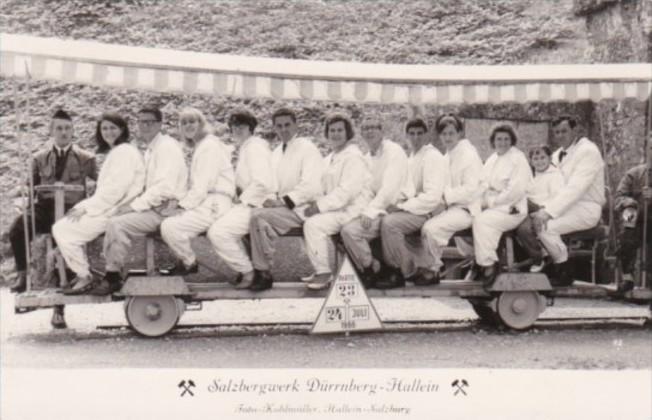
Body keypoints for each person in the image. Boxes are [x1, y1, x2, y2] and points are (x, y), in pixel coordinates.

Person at [9, 109, 97, 328]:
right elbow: (30, 186)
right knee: (17, 229)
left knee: (63, 247)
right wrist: (21, 194)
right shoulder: (39, 158)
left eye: (67, 128)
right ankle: (22, 274)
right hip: (45, 207)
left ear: (73, 130)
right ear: (51, 131)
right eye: (59, 128)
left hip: (71, 210)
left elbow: (99, 186)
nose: (63, 132)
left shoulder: (86, 158)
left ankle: (59, 309)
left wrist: (91, 196)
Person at [94, 105, 188, 295]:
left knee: (117, 224)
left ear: (160, 124)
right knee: (114, 216)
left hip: (166, 210)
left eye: (150, 122)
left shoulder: (167, 148)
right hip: (155, 207)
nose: (145, 126)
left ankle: (112, 276)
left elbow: (164, 188)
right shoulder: (151, 149)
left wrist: (133, 206)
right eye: (141, 122)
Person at [53, 113, 145, 295]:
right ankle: (83, 274)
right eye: (104, 128)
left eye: (113, 128)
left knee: (62, 229)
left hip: (117, 210)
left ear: (123, 130)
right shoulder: (119, 151)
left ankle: (84, 276)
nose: (108, 132)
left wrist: (85, 207)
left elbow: (114, 192)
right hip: (111, 207)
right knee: (64, 225)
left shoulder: (124, 152)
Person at [247, 108, 324, 291]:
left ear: (296, 124)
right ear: (274, 128)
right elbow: (271, 185)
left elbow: (311, 185)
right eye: (279, 126)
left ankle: (263, 272)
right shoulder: (276, 153)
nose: (284, 129)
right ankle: (250, 270)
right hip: (284, 208)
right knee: (249, 216)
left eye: (287, 125)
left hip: (303, 208)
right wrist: (268, 199)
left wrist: (281, 202)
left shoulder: (307, 147)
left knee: (258, 217)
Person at [531, 115, 605, 286]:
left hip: (586, 208)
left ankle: (564, 269)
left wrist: (548, 212)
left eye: (564, 131)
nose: (560, 135)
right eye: (557, 132)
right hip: (565, 207)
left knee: (545, 227)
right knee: (529, 223)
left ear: (575, 130)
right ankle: (546, 263)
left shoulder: (588, 151)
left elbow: (576, 188)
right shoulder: (556, 155)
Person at [340, 115, 413, 288]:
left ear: (382, 131)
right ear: (361, 133)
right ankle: (371, 267)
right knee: (345, 228)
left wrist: (370, 211)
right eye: (365, 128)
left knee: (351, 231)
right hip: (377, 208)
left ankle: (380, 270)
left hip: (396, 207)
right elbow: (365, 190)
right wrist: (362, 210)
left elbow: (390, 189)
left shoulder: (393, 151)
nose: (369, 131)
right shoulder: (366, 157)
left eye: (374, 127)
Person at [160, 107, 235, 275]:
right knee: (170, 223)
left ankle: (189, 263)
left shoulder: (209, 146)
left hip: (215, 200)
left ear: (201, 123)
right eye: (184, 123)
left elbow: (202, 187)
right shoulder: (203, 145)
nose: (188, 126)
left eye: (192, 121)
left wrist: (181, 207)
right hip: (209, 200)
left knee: (170, 226)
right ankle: (186, 261)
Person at [302, 113, 372, 290]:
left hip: (351, 210)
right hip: (336, 208)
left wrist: (319, 206)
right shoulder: (330, 158)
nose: (335, 134)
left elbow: (347, 192)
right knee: (302, 217)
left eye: (340, 130)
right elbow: (322, 188)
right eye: (332, 130)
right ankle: (319, 268)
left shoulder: (353, 157)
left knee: (313, 225)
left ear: (348, 132)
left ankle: (324, 273)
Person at [207, 109, 274, 289]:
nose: (237, 130)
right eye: (234, 126)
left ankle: (248, 272)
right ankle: (249, 270)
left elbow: (262, 182)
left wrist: (241, 201)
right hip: (250, 203)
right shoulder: (246, 147)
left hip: (258, 205)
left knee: (218, 232)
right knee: (220, 225)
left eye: (242, 126)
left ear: (251, 128)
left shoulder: (255, 147)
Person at [379, 117, 447, 288]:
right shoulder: (411, 157)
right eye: (411, 134)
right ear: (406, 136)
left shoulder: (432, 157)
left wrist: (401, 207)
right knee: (379, 217)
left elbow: (432, 196)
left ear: (426, 135)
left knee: (390, 224)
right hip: (414, 209)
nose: (415, 138)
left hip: (429, 212)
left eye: (419, 133)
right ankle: (386, 269)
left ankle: (403, 272)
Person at [421, 114, 483, 279]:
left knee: (430, 229)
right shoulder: (447, 155)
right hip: (450, 207)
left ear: (459, 133)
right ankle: (419, 265)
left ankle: (433, 270)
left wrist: (445, 198)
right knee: (417, 221)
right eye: (444, 134)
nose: (447, 137)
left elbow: (471, 189)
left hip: (467, 208)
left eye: (451, 133)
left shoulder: (468, 155)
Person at [472, 124, 532, 284]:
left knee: (482, 221)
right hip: (493, 204)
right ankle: (476, 260)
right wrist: (479, 201)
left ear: (512, 140)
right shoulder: (492, 159)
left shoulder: (518, 159)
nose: (502, 142)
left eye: (506, 139)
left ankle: (489, 264)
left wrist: (491, 202)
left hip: (512, 208)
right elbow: (483, 184)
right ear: (493, 141)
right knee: (469, 216)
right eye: (499, 139)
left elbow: (515, 191)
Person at [515, 145, 565, 273]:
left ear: (549, 158)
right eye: (535, 159)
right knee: (516, 225)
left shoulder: (555, 175)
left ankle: (539, 258)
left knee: (524, 229)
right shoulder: (533, 177)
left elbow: (558, 198)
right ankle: (534, 255)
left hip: (545, 211)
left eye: (543, 157)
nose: (540, 161)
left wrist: (543, 210)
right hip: (529, 210)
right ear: (531, 161)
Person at [614, 161, 652, 292]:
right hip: (637, 217)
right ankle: (627, 277)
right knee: (628, 221)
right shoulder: (633, 174)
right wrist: (628, 202)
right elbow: (619, 196)